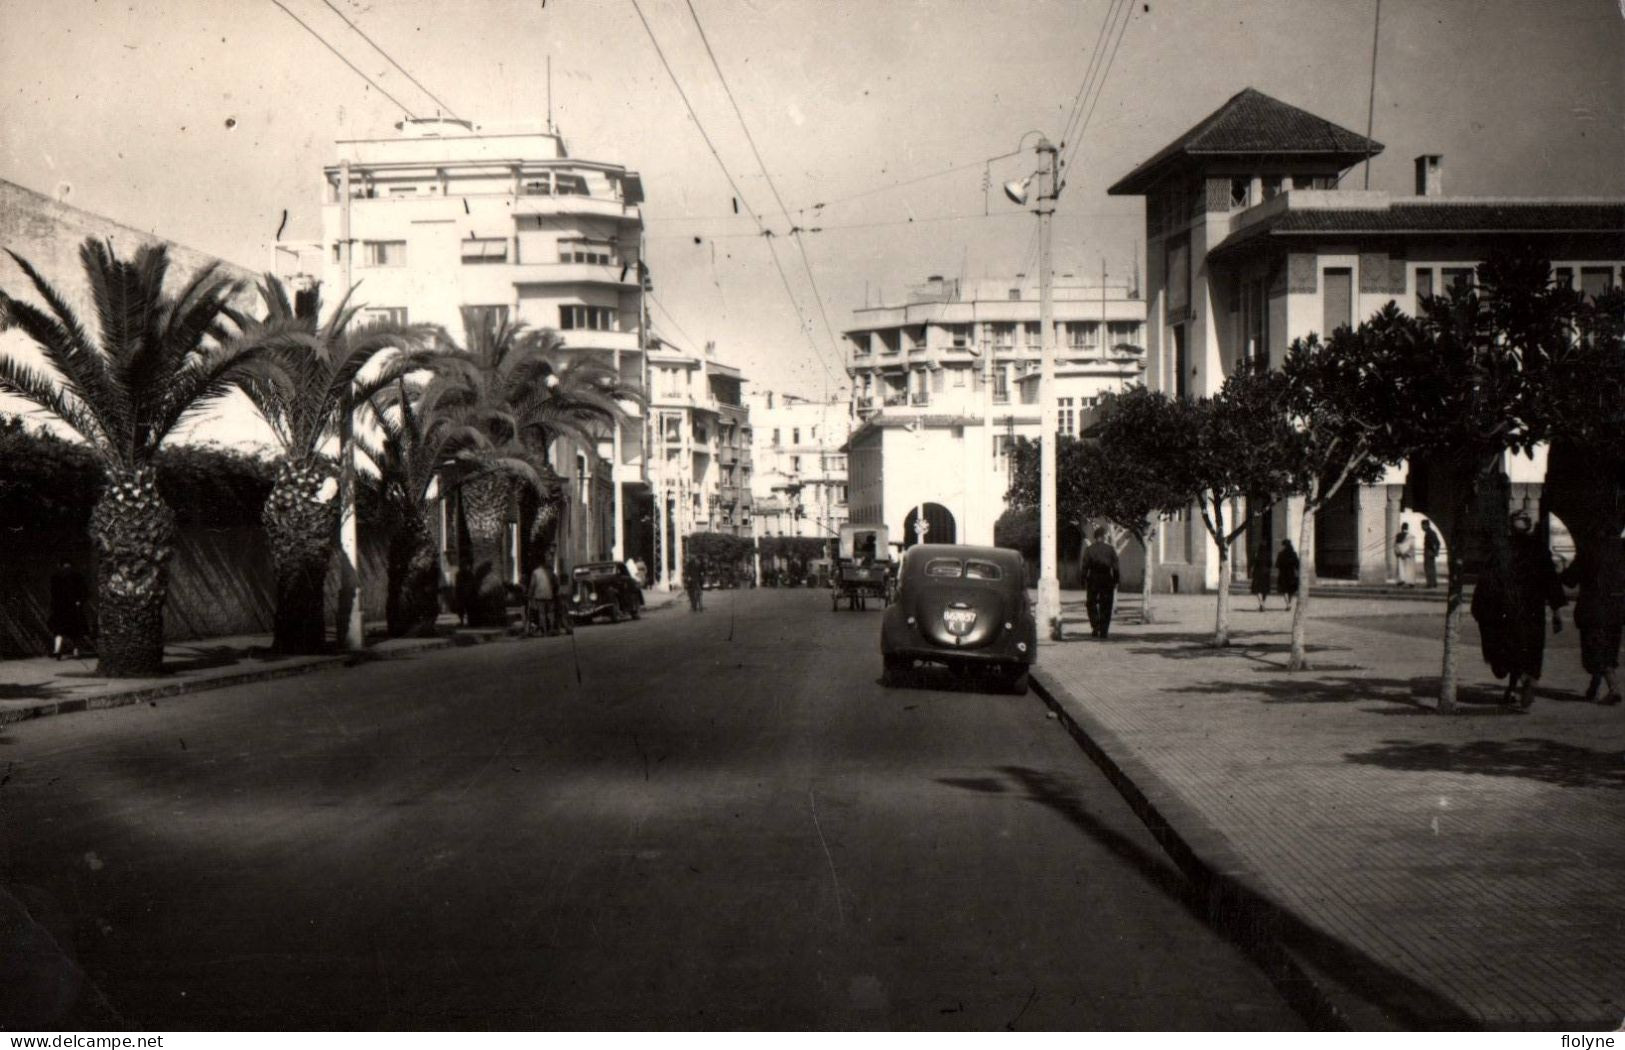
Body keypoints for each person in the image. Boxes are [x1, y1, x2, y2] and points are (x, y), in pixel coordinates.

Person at [1471, 511, 1566, 709]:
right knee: (1530, 648)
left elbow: (1487, 580)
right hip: (1534, 609)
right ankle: (1523, 683)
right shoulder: (1539, 549)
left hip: (1508, 608)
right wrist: (1556, 611)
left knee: (1510, 648)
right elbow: (1551, 580)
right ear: (1529, 526)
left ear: (1510, 527)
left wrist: (1480, 606)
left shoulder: (1501, 548)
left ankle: (1521, 682)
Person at [1558, 534, 1623, 706]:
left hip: (1593, 610)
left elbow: (1570, 580)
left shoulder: (1588, 551)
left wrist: (1560, 571)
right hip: (1616, 610)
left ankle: (1613, 689)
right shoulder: (1620, 551)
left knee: (1595, 651)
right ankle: (1593, 687)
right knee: (1609, 648)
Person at [1080, 527, 1121, 638]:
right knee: (1106, 605)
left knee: (1091, 603)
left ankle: (1095, 626)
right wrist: (1116, 580)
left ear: (1095, 537)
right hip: (1107, 579)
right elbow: (1116, 567)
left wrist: (1082, 580)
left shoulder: (1089, 550)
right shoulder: (1110, 549)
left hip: (1093, 579)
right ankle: (1104, 630)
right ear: (1103, 536)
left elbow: (1085, 567)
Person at [47, 558, 89, 660]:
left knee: (59, 630)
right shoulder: (77, 576)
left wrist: (53, 605)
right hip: (72, 607)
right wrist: (80, 601)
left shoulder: (56, 577)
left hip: (61, 608)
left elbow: (53, 593)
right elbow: (85, 592)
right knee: (76, 631)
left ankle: (58, 650)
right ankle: (75, 651)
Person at [525, 561, 555, 636]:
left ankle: (544, 631)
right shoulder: (548, 572)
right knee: (550, 612)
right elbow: (554, 582)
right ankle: (551, 629)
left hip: (540, 594)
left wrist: (529, 595)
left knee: (542, 613)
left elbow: (532, 585)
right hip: (549, 594)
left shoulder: (535, 572)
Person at [1275, 540, 1300, 611]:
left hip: (1283, 574)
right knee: (1291, 590)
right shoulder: (1294, 554)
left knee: (1284, 590)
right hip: (1291, 574)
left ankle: (1287, 604)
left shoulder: (1280, 554)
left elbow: (1277, 565)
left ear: (1284, 545)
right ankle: (1289, 602)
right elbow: (1297, 564)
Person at [1249, 545, 1273, 611]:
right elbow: (1270, 564)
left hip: (1258, 574)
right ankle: (1262, 604)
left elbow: (1252, 564)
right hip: (1266, 574)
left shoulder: (1256, 555)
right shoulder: (1268, 556)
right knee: (1265, 590)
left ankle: (1261, 604)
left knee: (1258, 589)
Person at [1394, 522, 1416, 587]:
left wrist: (1399, 553)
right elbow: (1412, 547)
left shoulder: (1398, 536)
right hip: (1408, 555)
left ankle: (1401, 580)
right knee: (1409, 568)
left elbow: (1396, 546)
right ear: (1407, 528)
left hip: (1400, 554)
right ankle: (1410, 582)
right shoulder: (1411, 536)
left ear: (1401, 528)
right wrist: (1407, 553)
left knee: (1401, 568)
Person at [1421, 520, 1441, 589]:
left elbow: (1432, 543)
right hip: (1431, 552)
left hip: (1428, 551)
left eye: (1422, 525)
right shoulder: (1432, 532)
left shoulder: (1429, 533)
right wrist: (1436, 551)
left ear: (1426, 525)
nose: (1422, 527)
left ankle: (1430, 583)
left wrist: (1433, 550)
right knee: (1432, 567)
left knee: (1428, 568)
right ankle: (1434, 582)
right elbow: (1438, 543)